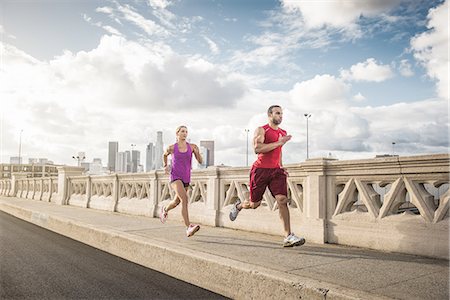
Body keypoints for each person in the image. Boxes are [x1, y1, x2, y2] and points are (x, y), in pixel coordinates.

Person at [229, 105, 306, 247]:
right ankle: (239, 206)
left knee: (282, 200)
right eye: (277, 113)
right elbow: (257, 149)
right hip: (260, 171)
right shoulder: (262, 130)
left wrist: (281, 165)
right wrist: (279, 142)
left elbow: (278, 151)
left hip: (276, 171)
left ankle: (288, 236)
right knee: (254, 204)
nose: (280, 116)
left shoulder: (283, 132)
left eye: (282, 114)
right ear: (270, 115)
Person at [160, 125, 203, 237]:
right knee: (184, 199)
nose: (185, 133)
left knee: (176, 202)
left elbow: (200, 161)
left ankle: (165, 209)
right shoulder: (172, 147)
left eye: (186, 132)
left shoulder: (192, 147)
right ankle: (188, 227)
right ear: (177, 134)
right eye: (182, 131)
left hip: (186, 177)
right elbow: (164, 155)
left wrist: (197, 153)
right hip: (175, 176)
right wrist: (165, 165)